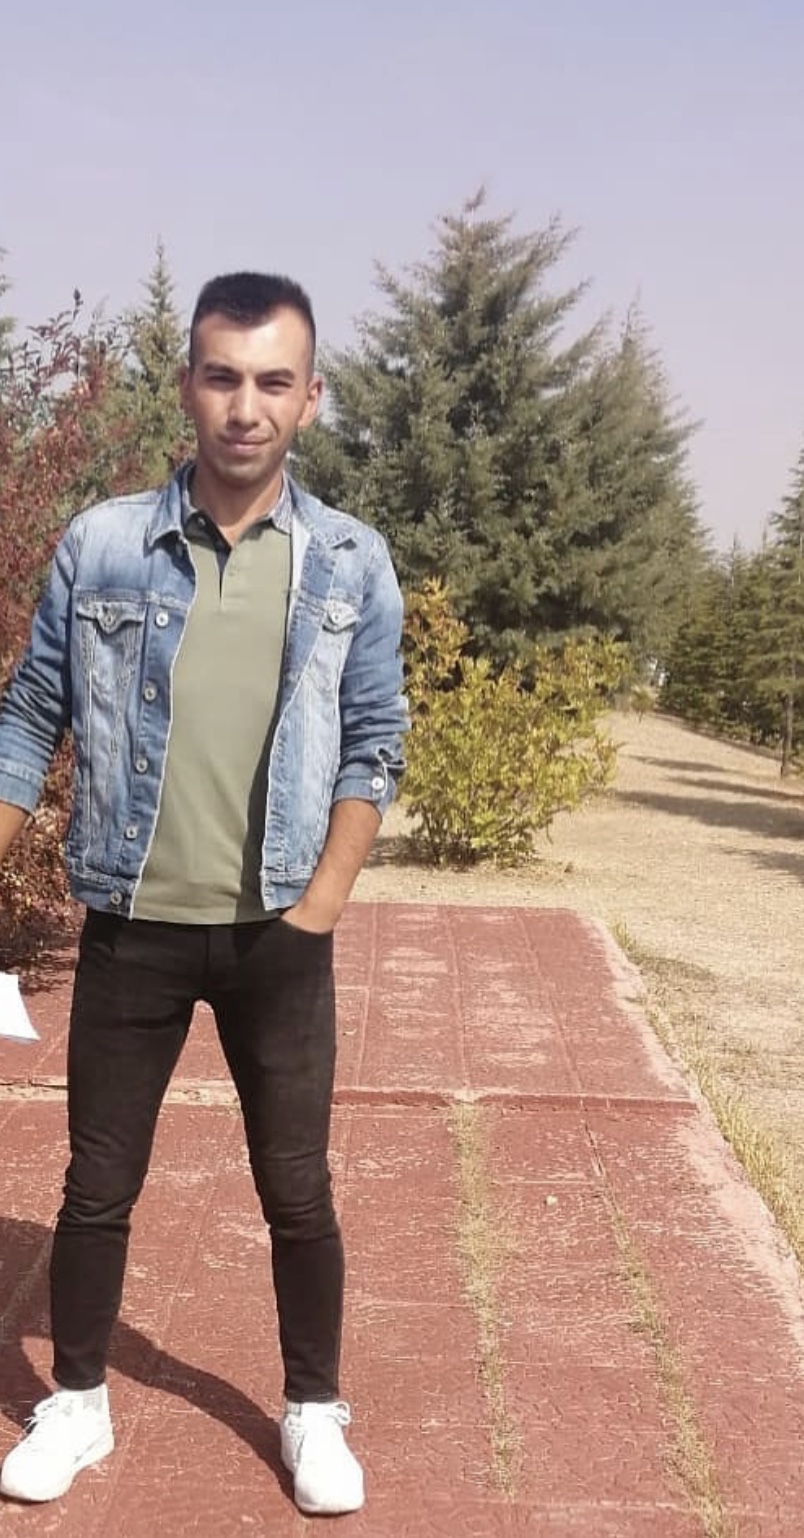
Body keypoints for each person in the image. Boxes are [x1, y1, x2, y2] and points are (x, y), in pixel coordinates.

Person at [0, 272, 407, 1516]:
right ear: (187, 385)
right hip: (132, 926)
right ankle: (77, 1400)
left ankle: (313, 1407)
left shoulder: (350, 559)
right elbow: (27, 717)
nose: (245, 405)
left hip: (281, 930)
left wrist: (322, 901)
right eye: (222, 376)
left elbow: (375, 741)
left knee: (297, 1187)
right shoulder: (104, 543)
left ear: (310, 398)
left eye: (273, 381)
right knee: (96, 1184)